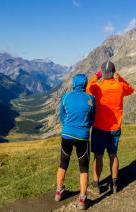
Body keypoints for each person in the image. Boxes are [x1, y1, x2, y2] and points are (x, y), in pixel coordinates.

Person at [86, 60, 134, 194]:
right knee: (113, 155)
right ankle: (114, 184)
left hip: (99, 128)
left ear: (103, 72)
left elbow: (87, 86)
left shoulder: (98, 87)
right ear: (113, 72)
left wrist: (97, 75)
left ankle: (96, 185)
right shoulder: (120, 86)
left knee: (98, 156)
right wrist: (120, 78)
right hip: (115, 129)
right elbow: (131, 89)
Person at [55, 74, 96, 210]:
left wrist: (68, 126)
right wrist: (84, 127)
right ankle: (82, 199)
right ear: (85, 85)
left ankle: (59, 191)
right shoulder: (91, 99)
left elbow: (62, 115)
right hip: (82, 137)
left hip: (66, 134)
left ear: (74, 84)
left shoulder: (66, 96)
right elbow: (92, 118)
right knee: (83, 168)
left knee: (63, 163)